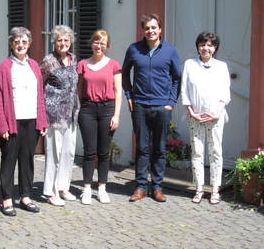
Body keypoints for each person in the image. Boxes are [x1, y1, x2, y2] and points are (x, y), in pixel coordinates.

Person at [122, 14, 182, 203]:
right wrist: (129, 96)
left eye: (154, 27)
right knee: (141, 147)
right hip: (140, 105)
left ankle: (157, 187)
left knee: (160, 149)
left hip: (162, 106)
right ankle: (140, 186)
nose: (150, 31)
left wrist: (171, 102)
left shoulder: (170, 50)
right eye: (147, 28)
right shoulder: (134, 49)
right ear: (143, 30)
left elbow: (176, 78)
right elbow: (124, 74)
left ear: (160, 29)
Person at [0, 27, 48, 216]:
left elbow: (40, 95)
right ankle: (7, 198)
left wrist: (42, 121)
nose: (21, 45)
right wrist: (2, 125)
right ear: (11, 44)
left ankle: (25, 196)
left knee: (27, 160)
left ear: (30, 44)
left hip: (31, 121)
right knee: (9, 160)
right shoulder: (5, 66)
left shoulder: (34, 65)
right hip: (12, 122)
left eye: (24, 42)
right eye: (17, 42)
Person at [181, 31, 231, 204]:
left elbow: (225, 92)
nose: (206, 48)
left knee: (216, 152)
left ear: (215, 48)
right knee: (197, 153)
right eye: (202, 45)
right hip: (195, 117)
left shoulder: (221, 66)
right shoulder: (189, 64)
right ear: (198, 47)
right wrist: (191, 111)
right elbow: (184, 90)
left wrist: (217, 111)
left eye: (209, 45)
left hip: (215, 117)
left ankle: (215, 189)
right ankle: (199, 188)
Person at [77, 29, 122, 205]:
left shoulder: (114, 65)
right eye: (96, 41)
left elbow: (118, 91)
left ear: (107, 45)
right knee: (89, 152)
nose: (99, 45)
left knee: (103, 152)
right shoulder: (82, 64)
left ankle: (102, 188)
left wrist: (116, 115)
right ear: (92, 43)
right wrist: (80, 108)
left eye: (102, 43)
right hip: (87, 109)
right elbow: (79, 90)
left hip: (107, 110)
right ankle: (87, 189)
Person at [40, 25, 79, 206]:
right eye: (59, 40)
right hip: (53, 115)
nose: (63, 43)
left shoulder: (73, 59)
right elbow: (39, 86)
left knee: (68, 152)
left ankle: (64, 187)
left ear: (70, 41)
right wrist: (40, 114)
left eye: (66, 40)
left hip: (71, 113)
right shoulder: (48, 61)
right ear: (54, 42)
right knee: (54, 153)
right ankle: (51, 191)